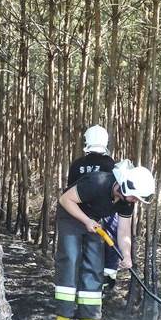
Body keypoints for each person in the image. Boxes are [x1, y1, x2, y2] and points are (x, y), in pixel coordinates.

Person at [54, 156, 156, 320]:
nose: (135, 201)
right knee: (70, 260)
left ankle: (89, 316)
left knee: (94, 263)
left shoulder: (127, 202)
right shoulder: (98, 182)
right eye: (135, 197)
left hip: (92, 220)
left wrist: (127, 255)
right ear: (125, 185)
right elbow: (65, 200)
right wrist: (86, 220)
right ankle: (64, 315)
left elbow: (123, 231)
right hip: (71, 216)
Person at [66, 125, 119, 292]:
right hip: (102, 215)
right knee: (110, 237)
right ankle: (108, 275)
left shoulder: (77, 165)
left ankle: (78, 282)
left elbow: (70, 191)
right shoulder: (111, 165)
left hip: (79, 214)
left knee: (78, 253)